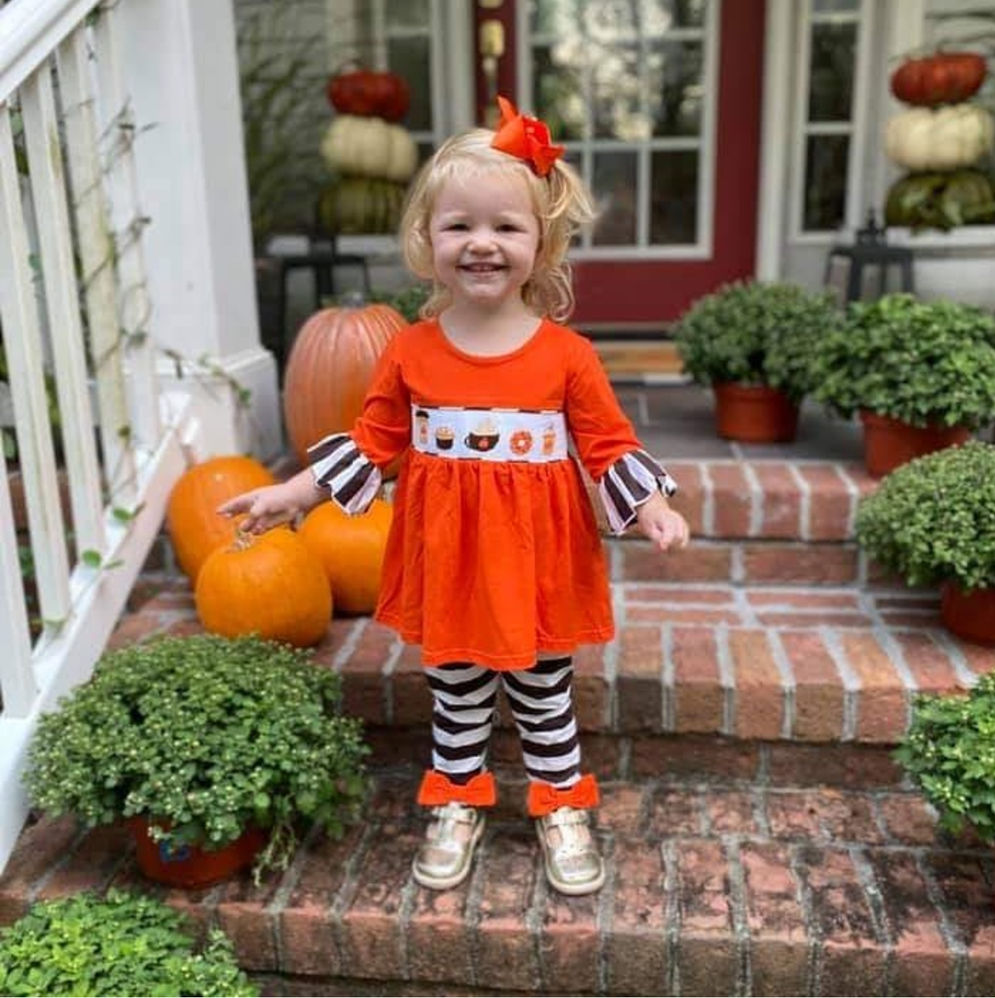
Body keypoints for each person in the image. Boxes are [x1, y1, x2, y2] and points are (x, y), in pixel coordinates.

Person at [218, 96, 690, 897]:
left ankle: (559, 804)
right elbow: (374, 442)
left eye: (506, 227)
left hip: (536, 560)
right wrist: (294, 493)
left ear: (541, 244)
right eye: (460, 226)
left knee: (544, 695)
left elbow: (607, 443)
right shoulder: (409, 353)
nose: (482, 243)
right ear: (427, 242)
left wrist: (650, 504)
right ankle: (458, 800)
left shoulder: (567, 356)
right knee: (458, 694)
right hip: (451, 558)